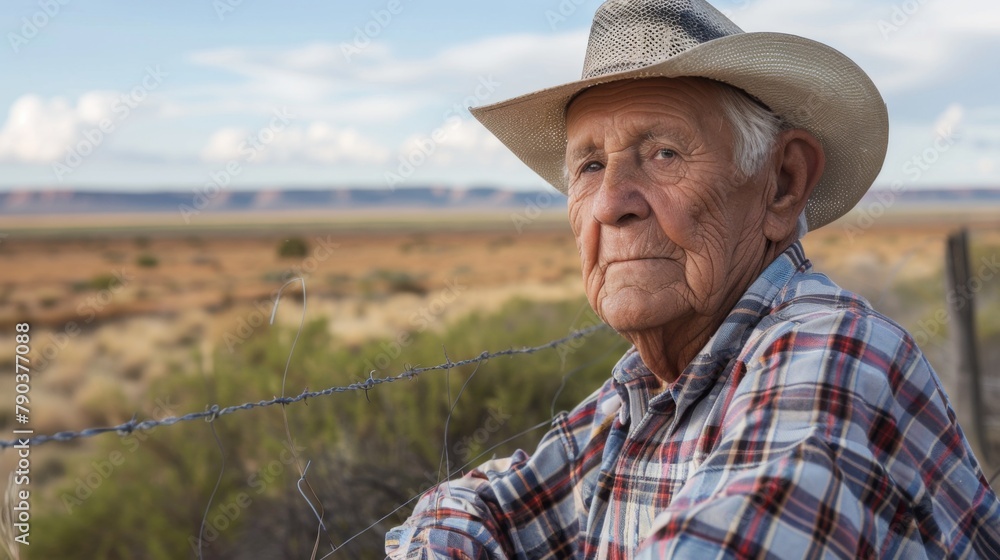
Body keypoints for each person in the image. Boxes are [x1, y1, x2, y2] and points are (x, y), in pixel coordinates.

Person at [386, 0, 1000, 557]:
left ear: (783, 183)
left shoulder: (832, 352)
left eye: (664, 154)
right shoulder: (642, 397)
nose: (610, 204)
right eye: (591, 165)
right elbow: (475, 507)